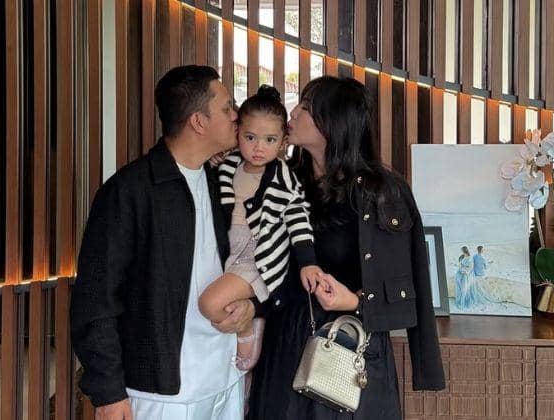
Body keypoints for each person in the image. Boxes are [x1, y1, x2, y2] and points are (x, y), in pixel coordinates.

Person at [247, 76, 446, 419]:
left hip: (351, 346)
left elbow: (409, 291)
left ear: (333, 122)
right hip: (287, 341)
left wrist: (354, 301)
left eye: (306, 107)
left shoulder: (382, 191)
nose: (293, 113)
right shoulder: (281, 180)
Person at [70, 65, 256, 420]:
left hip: (224, 378)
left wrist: (250, 308)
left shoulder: (222, 182)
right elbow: (96, 300)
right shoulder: (129, 191)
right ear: (198, 122)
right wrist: (108, 392)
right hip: (159, 394)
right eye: (227, 108)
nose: (237, 116)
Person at [199, 85, 326, 371]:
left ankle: (248, 329)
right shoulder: (229, 165)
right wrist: (212, 158)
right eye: (250, 137)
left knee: (210, 303)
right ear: (237, 134)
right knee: (217, 302)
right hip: (228, 250)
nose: (259, 148)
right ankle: (253, 317)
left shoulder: (284, 177)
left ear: (283, 142)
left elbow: (298, 220)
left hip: (258, 256)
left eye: (270, 140)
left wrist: (308, 262)